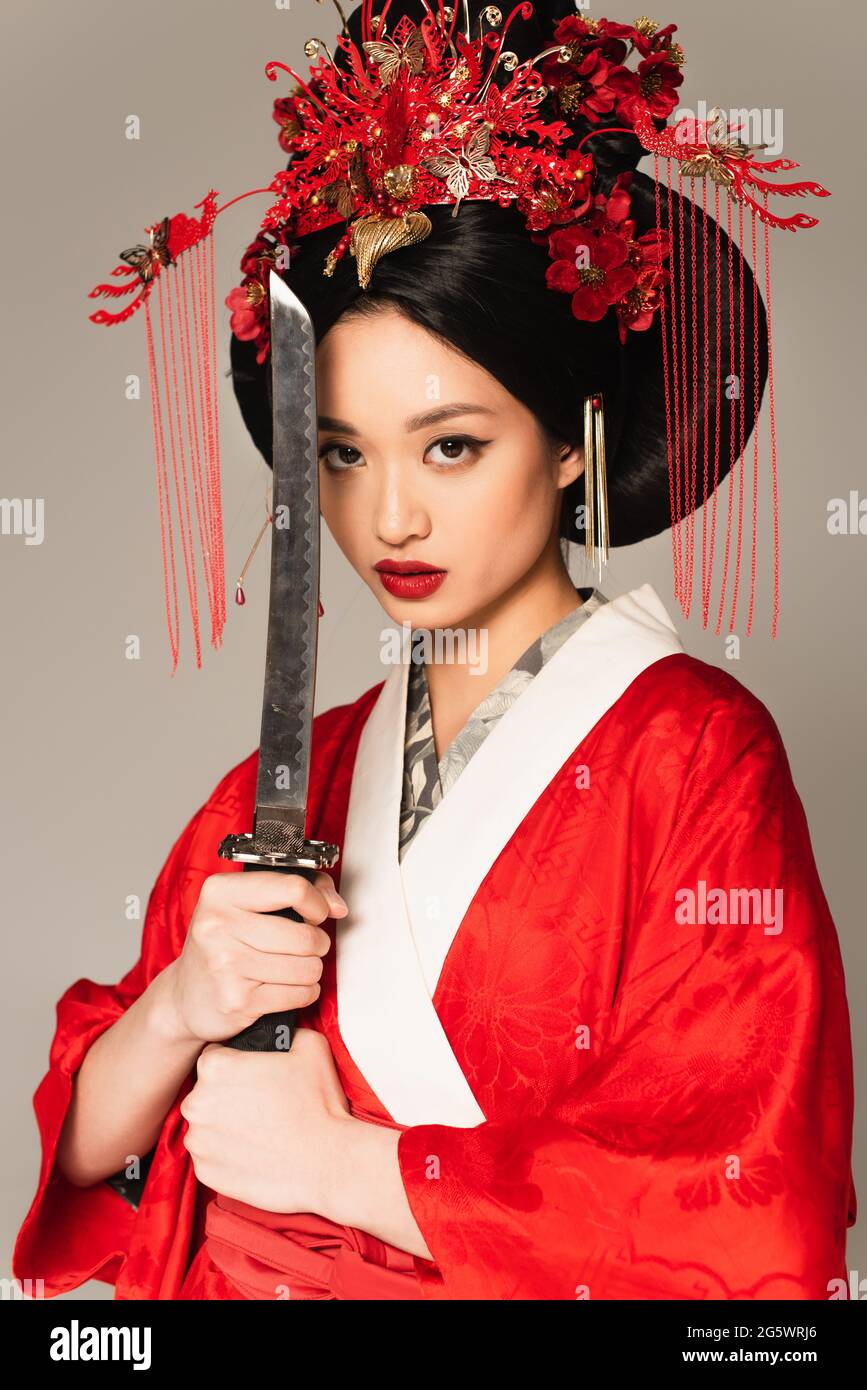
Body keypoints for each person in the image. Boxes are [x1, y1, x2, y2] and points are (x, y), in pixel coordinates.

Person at [14, 0, 855, 1300]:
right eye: (343, 453)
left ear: (573, 436)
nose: (387, 514)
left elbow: (755, 1204)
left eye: (451, 444)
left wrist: (350, 1165)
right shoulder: (299, 773)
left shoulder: (694, 756)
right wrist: (181, 1003)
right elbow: (86, 1166)